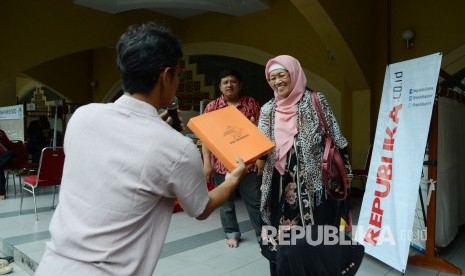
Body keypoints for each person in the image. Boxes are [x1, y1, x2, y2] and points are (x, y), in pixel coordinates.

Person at [35, 21, 246, 276]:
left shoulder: (82, 117)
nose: (178, 79)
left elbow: (113, 157)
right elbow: (200, 208)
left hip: (52, 265)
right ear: (166, 75)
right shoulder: (177, 148)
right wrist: (232, 180)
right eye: (179, 73)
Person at [255, 55, 361, 276]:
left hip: (314, 187)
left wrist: (345, 177)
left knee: (315, 239)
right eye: (272, 78)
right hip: (278, 186)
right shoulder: (267, 110)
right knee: (280, 240)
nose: (277, 82)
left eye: (281, 75)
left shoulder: (314, 100)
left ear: (294, 74)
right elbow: (260, 147)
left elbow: (337, 138)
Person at [202, 69, 262, 248]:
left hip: (249, 165)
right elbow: (205, 138)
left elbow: (261, 132)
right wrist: (207, 163)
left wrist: (261, 159)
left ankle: (263, 235)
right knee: (225, 204)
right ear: (220, 87)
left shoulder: (251, 104)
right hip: (221, 165)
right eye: (225, 82)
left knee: (256, 202)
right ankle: (232, 234)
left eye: (233, 81)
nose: (229, 85)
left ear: (240, 85)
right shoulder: (211, 108)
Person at [0, 130, 14, 201]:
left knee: (11, 152)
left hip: (3, 158)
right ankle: (1, 193)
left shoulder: (1, 133)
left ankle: (1, 193)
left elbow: (6, 150)